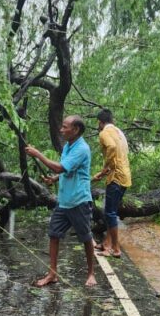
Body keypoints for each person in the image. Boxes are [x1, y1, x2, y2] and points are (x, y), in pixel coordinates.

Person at [25, 115, 96, 288]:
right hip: (64, 201)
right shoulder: (68, 147)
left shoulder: (82, 149)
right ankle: (52, 274)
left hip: (79, 201)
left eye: (65, 127)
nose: (61, 129)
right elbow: (65, 169)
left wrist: (37, 154)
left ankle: (91, 273)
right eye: (62, 126)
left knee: (86, 237)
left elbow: (59, 166)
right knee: (54, 235)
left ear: (76, 130)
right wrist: (55, 179)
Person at [92, 108, 131, 258]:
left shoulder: (104, 133)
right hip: (125, 176)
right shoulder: (119, 132)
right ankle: (107, 244)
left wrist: (104, 170)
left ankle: (115, 249)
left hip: (116, 178)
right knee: (112, 213)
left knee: (109, 213)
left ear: (100, 123)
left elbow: (112, 148)